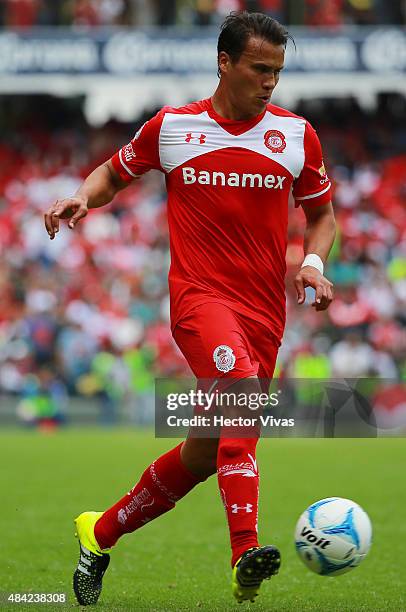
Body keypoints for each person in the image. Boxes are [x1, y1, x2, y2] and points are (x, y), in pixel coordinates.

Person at [44, 11, 335, 606]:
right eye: (260, 69)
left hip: (264, 315)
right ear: (224, 63)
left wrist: (313, 263)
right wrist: (81, 196)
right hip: (199, 300)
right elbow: (113, 173)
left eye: (277, 71)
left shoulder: (296, 135)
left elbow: (322, 214)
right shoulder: (173, 127)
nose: (270, 82)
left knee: (206, 450)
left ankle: (97, 533)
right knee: (237, 386)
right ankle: (243, 553)